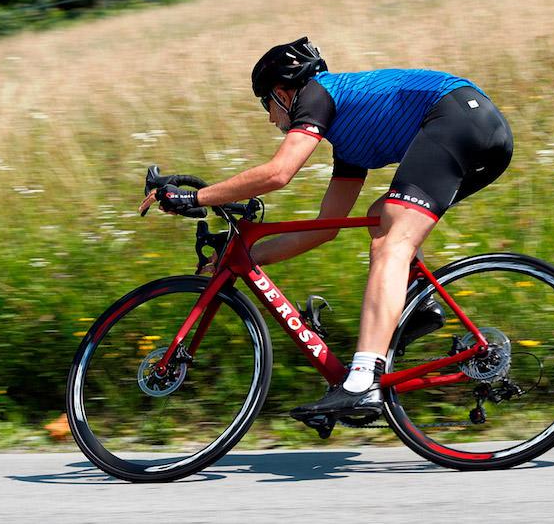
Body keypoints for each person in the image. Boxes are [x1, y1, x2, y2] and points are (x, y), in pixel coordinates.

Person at [140, 37, 513, 428]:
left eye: (267, 104)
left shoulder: (318, 95)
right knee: (382, 217)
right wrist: (249, 256)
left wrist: (194, 197)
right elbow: (324, 229)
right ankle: (416, 305)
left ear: (283, 93)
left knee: (391, 242)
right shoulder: (349, 141)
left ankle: (363, 380)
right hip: (479, 130)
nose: (271, 119)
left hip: (458, 118)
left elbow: (278, 173)